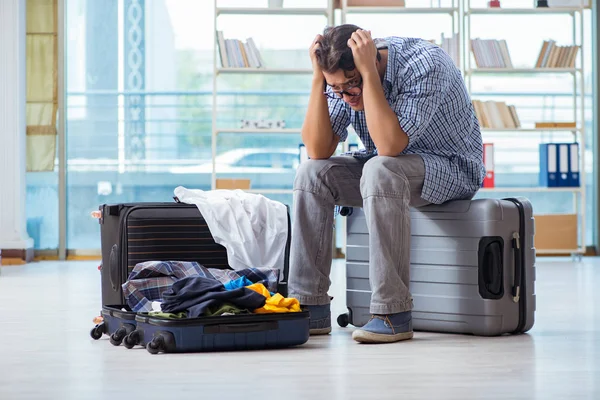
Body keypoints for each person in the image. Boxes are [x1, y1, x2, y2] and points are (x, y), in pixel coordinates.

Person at [287, 24, 485, 344]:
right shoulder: (341, 80)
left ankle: (393, 314)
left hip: (450, 167)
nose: (347, 97)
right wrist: (317, 80)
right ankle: (311, 306)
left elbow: (391, 146)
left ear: (373, 62)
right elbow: (318, 150)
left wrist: (369, 77)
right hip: (384, 167)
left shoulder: (425, 64)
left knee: (382, 168)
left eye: (352, 87)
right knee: (311, 173)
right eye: (336, 89)